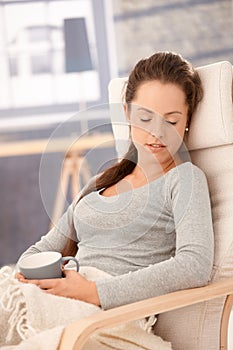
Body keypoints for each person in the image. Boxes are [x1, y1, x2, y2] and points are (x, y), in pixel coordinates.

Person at [15, 51, 213, 322]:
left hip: (102, 313)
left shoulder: (185, 179)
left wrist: (94, 291)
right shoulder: (101, 182)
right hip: (63, 299)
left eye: (171, 120)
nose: (157, 131)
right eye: (145, 118)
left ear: (188, 121)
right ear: (127, 114)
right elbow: (39, 251)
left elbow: (194, 265)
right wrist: (34, 277)